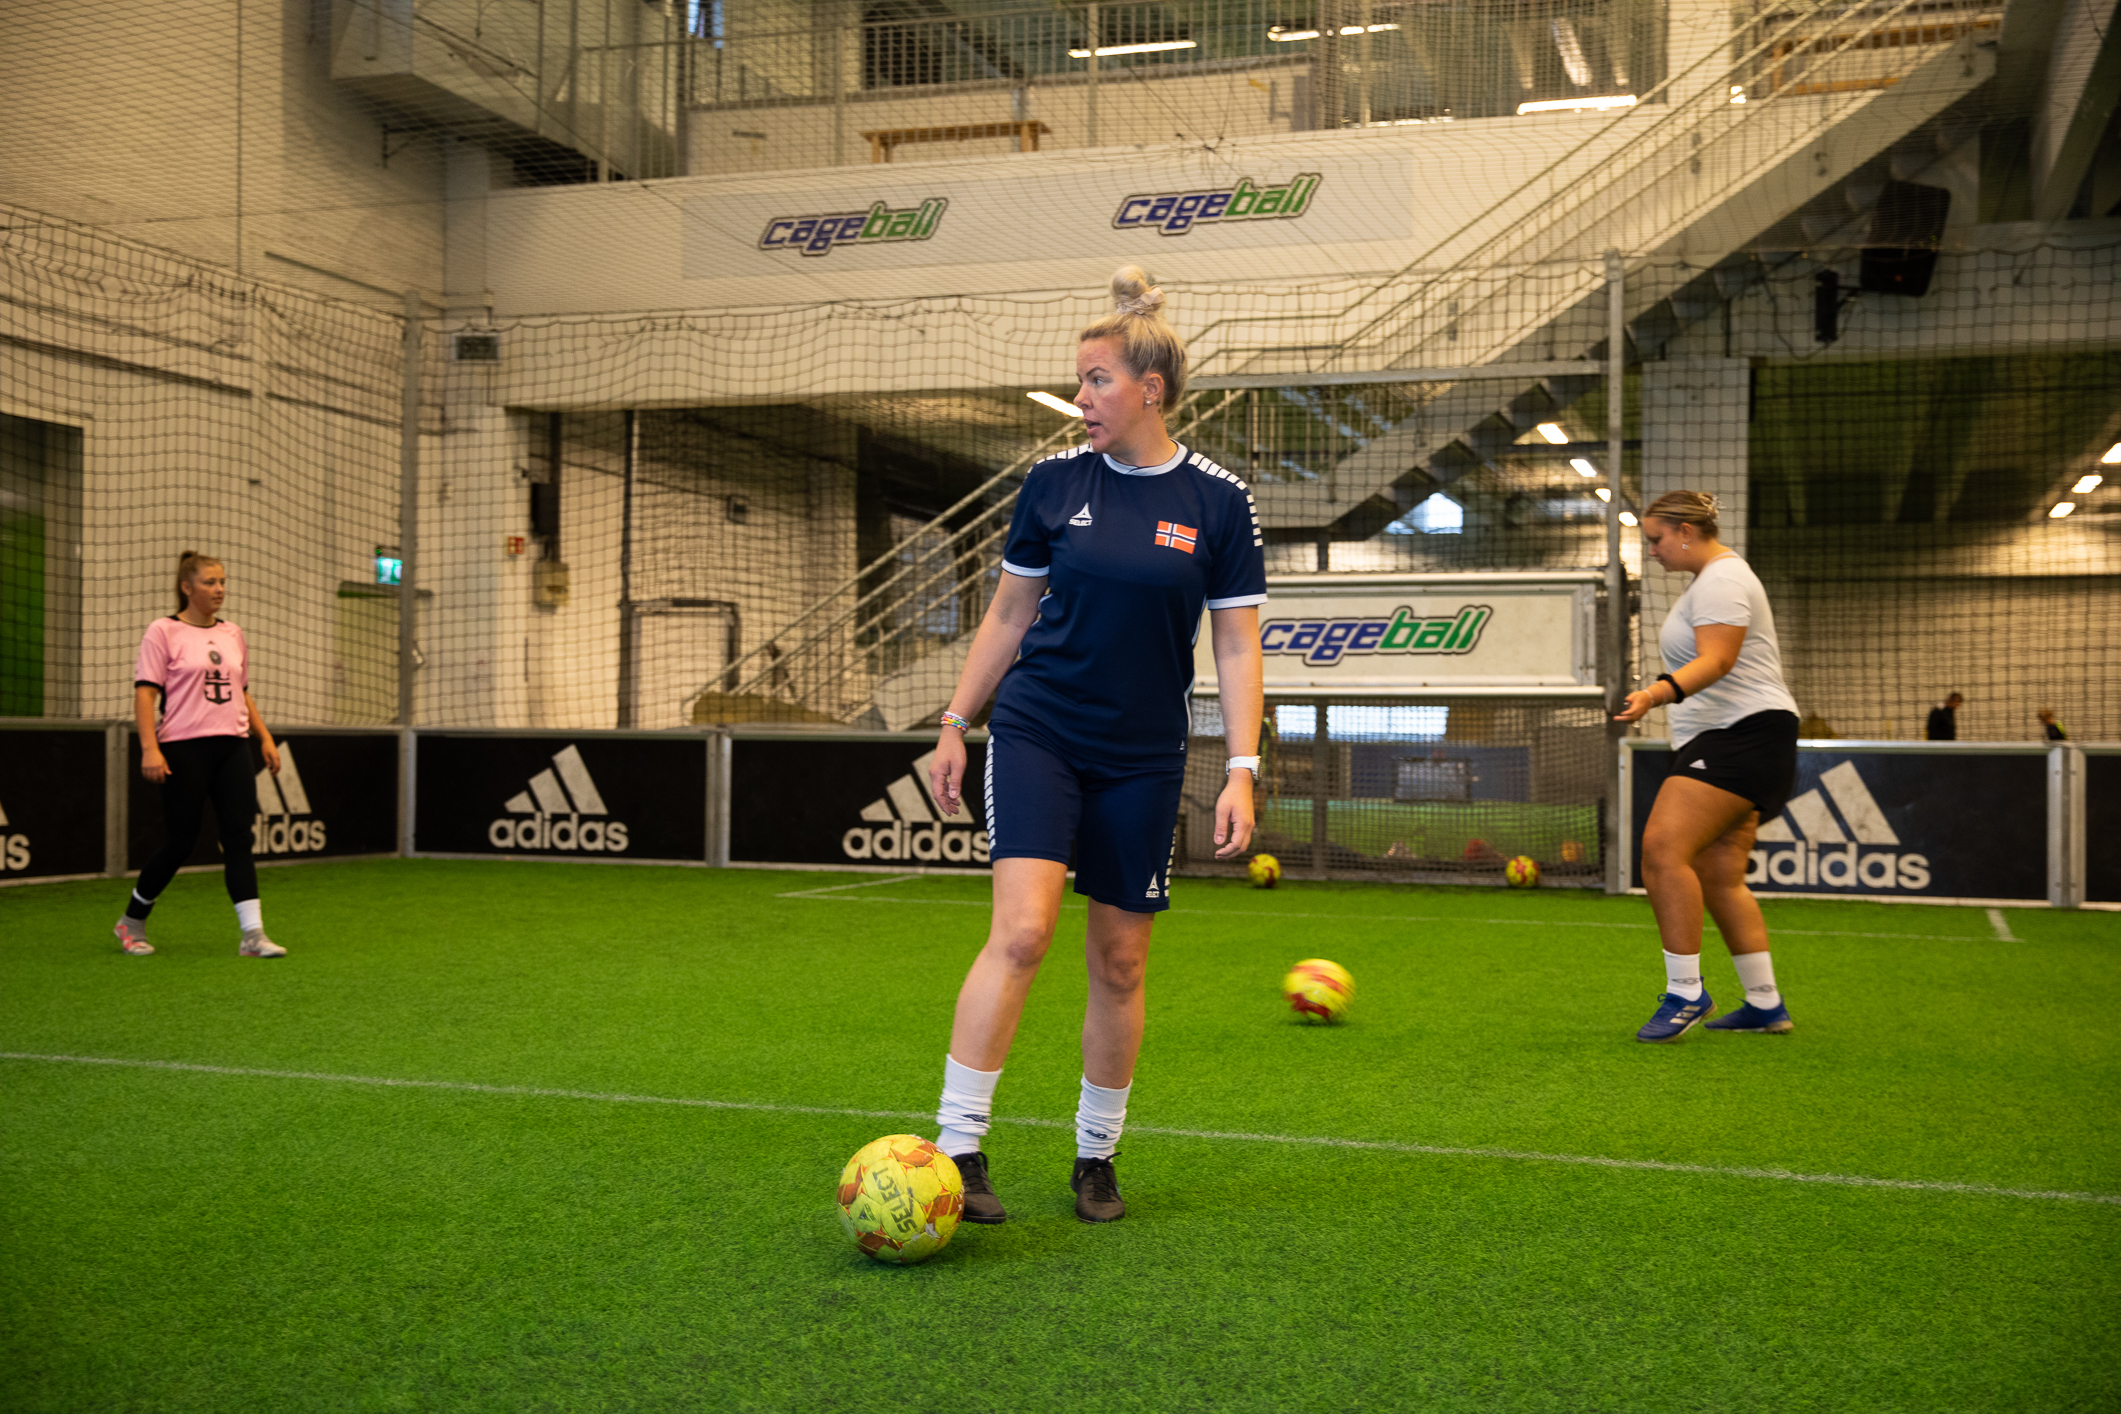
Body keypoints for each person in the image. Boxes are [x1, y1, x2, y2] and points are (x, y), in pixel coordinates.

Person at [925, 267, 1266, 1223]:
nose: (1079, 401)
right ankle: (957, 1148)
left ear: (1148, 390)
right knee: (1024, 931)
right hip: (1039, 727)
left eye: (1095, 382)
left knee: (1119, 963)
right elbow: (1005, 613)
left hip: (1146, 753)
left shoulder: (1218, 503)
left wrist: (1241, 767)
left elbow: (1236, 643)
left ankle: (1095, 1156)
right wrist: (956, 720)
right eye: (1079, 384)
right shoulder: (1050, 485)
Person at [1614, 492, 1799, 1041]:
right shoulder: (1711, 583)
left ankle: (1685, 992)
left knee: (1662, 851)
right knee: (1720, 875)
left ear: (1688, 530)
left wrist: (1654, 694)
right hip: (1741, 737)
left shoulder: (1722, 580)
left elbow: (1718, 660)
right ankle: (1765, 1002)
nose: (1652, 551)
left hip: (1741, 737)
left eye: (1656, 538)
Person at [114, 551, 287, 958]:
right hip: (182, 748)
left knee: (239, 839)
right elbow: (145, 692)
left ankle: (253, 934)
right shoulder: (163, 631)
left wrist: (263, 737)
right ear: (186, 587)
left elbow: (241, 691)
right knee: (179, 843)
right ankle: (131, 921)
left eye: (222, 582)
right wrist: (150, 748)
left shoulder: (232, 633)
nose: (219, 589)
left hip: (232, 745)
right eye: (210, 582)